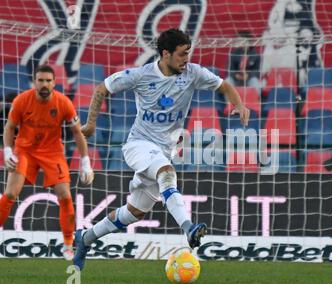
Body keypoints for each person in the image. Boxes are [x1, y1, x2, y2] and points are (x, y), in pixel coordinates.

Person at [73, 28, 250, 270]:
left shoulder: (193, 73)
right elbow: (102, 88)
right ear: (166, 54)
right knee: (167, 173)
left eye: (188, 53)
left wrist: (239, 105)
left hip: (163, 152)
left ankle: (84, 238)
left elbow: (224, 87)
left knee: (133, 213)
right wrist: (91, 123)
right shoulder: (141, 75)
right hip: (138, 145)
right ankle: (188, 228)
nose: (186, 59)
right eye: (182, 54)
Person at [0, 65, 94, 260]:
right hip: (24, 150)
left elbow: (77, 132)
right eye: (41, 80)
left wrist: (86, 162)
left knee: (65, 196)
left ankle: (68, 245)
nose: (44, 84)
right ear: (35, 82)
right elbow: (9, 128)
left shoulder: (63, 103)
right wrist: (8, 151)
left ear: (54, 82)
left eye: (48, 80)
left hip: (52, 152)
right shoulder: (22, 101)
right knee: (10, 192)